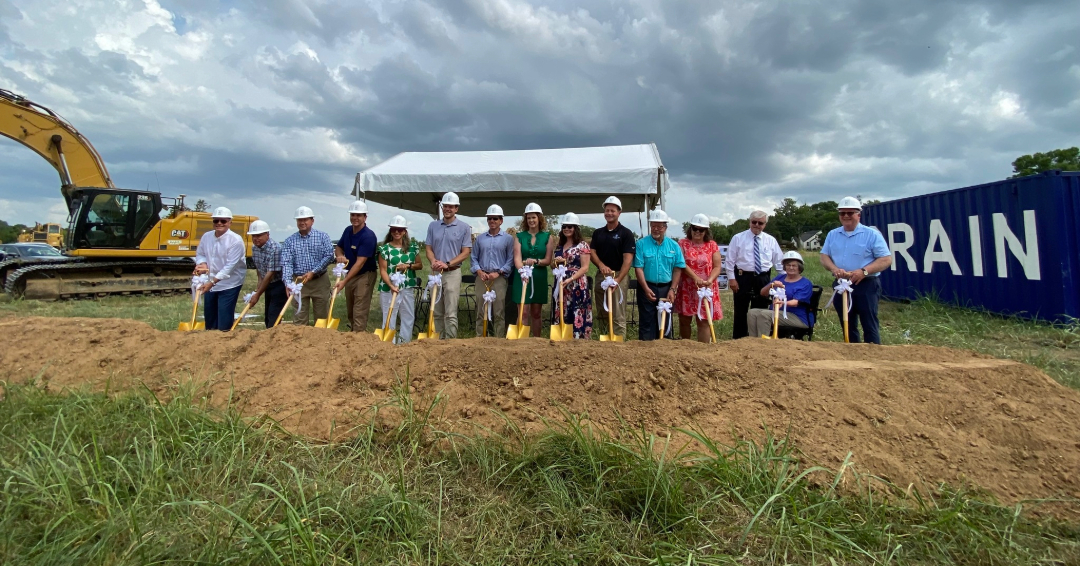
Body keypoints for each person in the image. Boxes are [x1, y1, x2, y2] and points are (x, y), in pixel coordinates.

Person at [820, 197, 893, 344]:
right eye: (842, 213)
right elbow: (824, 256)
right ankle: (852, 354)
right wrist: (834, 269)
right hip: (842, 284)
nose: (846, 216)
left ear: (858, 214)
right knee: (847, 323)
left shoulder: (872, 235)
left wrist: (864, 271)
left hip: (866, 283)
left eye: (850, 213)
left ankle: (873, 354)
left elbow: (885, 259)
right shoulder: (832, 234)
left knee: (869, 322)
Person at [724, 210, 784, 339]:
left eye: (760, 223)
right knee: (741, 310)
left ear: (765, 224)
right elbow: (729, 261)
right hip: (742, 277)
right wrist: (732, 279)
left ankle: (758, 339)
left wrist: (784, 280)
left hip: (763, 278)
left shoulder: (770, 240)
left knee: (761, 310)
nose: (757, 225)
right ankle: (739, 339)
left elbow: (779, 263)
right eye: (754, 222)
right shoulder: (738, 238)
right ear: (749, 222)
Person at [425, 192, 472, 339]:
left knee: (450, 312)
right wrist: (433, 261)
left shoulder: (464, 227)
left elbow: (466, 252)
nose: (447, 209)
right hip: (435, 273)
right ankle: (438, 340)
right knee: (436, 310)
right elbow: (428, 248)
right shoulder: (433, 226)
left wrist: (447, 264)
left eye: (451, 207)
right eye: (445, 206)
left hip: (452, 272)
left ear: (456, 208)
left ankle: (450, 343)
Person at [633, 207, 685, 341]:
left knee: (665, 322)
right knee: (646, 322)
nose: (656, 229)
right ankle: (646, 352)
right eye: (653, 226)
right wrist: (645, 289)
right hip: (647, 286)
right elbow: (638, 268)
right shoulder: (641, 244)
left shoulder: (674, 246)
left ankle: (664, 353)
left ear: (665, 227)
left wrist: (673, 289)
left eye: (659, 226)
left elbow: (678, 269)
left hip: (666, 288)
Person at [589, 196, 635, 340]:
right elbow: (592, 252)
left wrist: (618, 279)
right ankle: (603, 335)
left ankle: (618, 340)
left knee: (617, 311)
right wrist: (601, 266)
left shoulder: (626, 234)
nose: (609, 213)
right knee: (602, 309)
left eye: (612, 211)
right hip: (601, 276)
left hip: (618, 275)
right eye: (607, 210)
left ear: (619, 213)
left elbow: (628, 259)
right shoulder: (598, 233)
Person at [193, 207, 246, 331]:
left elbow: (229, 267)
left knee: (224, 318)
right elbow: (200, 253)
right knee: (210, 317)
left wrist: (212, 283)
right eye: (216, 221)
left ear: (230, 222)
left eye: (223, 221)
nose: (219, 224)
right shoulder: (206, 237)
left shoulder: (236, 241)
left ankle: (225, 341)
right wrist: (203, 264)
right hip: (210, 281)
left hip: (230, 283)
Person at [281, 206, 335, 325]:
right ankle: (300, 342)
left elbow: (329, 256)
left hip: (319, 280)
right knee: (299, 318)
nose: (302, 222)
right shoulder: (289, 241)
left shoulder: (323, 237)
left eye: (305, 219)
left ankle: (321, 342)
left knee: (321, 318)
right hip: (299, 282)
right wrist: (287, 282)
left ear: (312, 221)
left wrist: (314, 271)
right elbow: (286, 263)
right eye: (299, 220)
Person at [676, 213, 722, 343]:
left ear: (706, 231)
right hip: (688, 287)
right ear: (690, 228)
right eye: (695, 228)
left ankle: (703, 350)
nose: (697, 232)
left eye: (701, 230)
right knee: (684, 320)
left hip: (706, 287)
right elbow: (681, 263)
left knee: (704, 320)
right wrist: (695, 277)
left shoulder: (712, 245)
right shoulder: (683, 243)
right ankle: (686, 347)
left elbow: (717, 266)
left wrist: (710, 280)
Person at [333, 201, 378, 332]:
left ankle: (359, 337)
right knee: (351, 310)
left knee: (359, 310)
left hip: (364, 274)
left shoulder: (368, 236)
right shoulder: (348, 231)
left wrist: (344, 282)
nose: (355, 218)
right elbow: (339, 247)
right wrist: (340, 255)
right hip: (350, 273)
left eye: (359, 215)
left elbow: (360, 263)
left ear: (365, 217)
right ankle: (353, 336)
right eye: (353, 215)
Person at [471, 204, 514, 337]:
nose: (492, 221)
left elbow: (510, 260)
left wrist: (499, 272)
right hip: (482, 278)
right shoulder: (480, 239)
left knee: (498, 311)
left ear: (501, 220)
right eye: (489, 218)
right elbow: (473, 258)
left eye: (495, 218)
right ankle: (480, 337)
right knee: (480, 309)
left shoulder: (508, 239)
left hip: (499, 278)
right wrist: (479, 271)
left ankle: (498, 339)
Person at [377, 215, 422, 343]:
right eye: (394, 229)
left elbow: (420, 265)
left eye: (400, 229)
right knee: (389, 315)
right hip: (388, 288)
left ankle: (404, 342)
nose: (397, 232)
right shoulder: (384, 249)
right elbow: (383, 270)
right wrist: (391, 286)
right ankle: (389, 343)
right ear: (390, 231)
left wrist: (408, 265)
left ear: (405, 231)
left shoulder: (412, 248)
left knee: (408, 316)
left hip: (407, 287)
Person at [512, 202, 554, 338]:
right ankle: (520, 341)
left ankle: (536, 341)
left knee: (536, 313)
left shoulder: (548, 237)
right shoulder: (519, 237)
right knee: (523, 312)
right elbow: (517, 258)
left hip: (539, 276)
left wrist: (537, 261)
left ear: (539, 218)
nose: (531, 220)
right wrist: (521, 271)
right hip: (522, 276)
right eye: (528, 218)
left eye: (533, 217)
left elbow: (548, 260)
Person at [748, 251, 814, 337]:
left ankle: (763, 343)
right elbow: (762, 293)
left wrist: (782, 303)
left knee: (764, 315)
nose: (791, 267)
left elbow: (796, 302)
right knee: (752, 313)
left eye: (794, 265)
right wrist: (771, 285)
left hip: (797, 317)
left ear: (799, 268)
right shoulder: (780, 277)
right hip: (776, 312)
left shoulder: (805, 283)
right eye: (788, 265)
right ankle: (753, 340)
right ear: (784, 267)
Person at [552, 212, 592, 339]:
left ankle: (578, 338)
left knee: (577, 310)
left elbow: (585, 267)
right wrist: (555, 262)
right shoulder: (559, 246)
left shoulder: (582, 245)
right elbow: (552, 266)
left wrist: (570, 279)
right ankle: (563, 337)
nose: (567, 229)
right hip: (561, 284)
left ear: (575, 228)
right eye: (564, 226)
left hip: (576, 284)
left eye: (570, 226)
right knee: (563, 309)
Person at [245, 220, 287, 328]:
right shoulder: (255, 248)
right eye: (253, 236)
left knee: (273, 316)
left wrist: (257, 295)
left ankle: (273, 339)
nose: (255, 238)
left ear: (267, 234)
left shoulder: (275, 248)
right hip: (267, 284)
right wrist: (258, 287)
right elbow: (260, 269)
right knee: (267, 316)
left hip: (279, 284)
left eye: (259, 235)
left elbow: (270, 274)